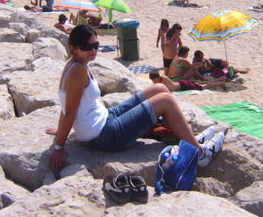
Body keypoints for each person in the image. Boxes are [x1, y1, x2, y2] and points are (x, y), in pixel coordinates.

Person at [48, 25, 225, 169]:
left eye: (96, 45)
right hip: (105, 136)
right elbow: (69, 111)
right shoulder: (78, 70)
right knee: (166, 100)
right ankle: (200, 154)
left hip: (105, 118)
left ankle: (188, 138)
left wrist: (61, 130)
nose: (93, 50)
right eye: (87, 47)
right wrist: (58, 146)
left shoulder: (74, 63)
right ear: (73, 47)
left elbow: (66, 106)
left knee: (159, 87)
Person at [149, 71, 227, 92]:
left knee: (202, 87)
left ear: (156, 78)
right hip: (181, 84)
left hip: (183, 85)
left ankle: (220, 83)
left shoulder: (164, 79)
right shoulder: (159, 81)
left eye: (153, 80)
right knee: (200, 84)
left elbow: (170, 88)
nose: (153, 81)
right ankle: (218, 82)